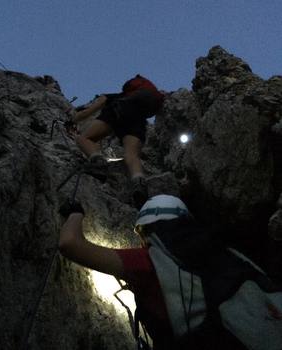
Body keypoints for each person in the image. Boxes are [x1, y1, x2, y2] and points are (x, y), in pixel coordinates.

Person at [59, 195, 281, 349]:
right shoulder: (228, 252)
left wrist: (75, 213)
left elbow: (70, 243)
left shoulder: (151, 260)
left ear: (146, 230)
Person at [68, 75, 164, 209]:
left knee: (85, 138)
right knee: (132, 155)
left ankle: (98, 163)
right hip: (138, 119)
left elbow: (91, 110)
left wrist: (75, 118)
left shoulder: (115, 96)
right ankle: (139, 182)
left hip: (119, 110)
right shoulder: (142, 100)